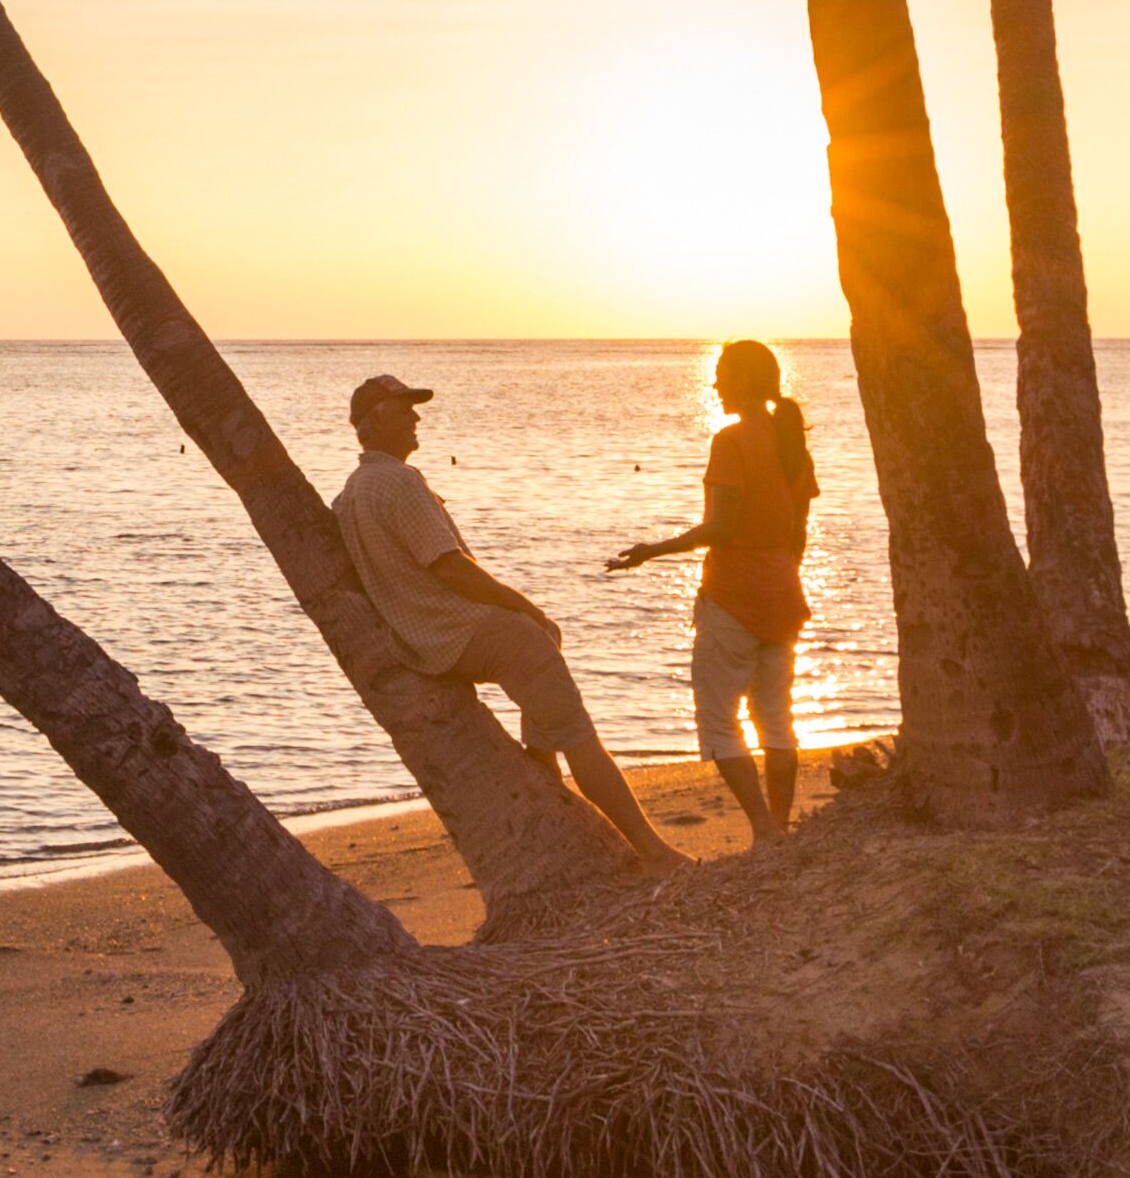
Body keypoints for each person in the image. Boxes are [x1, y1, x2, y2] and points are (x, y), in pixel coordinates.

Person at [330, 372, 687, 868]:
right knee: (576, 727)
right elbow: (451, 567)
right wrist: (525, 606)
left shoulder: (348, 497)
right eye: (404, 408)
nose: (415, 418)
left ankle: (554, 817)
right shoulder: (398, 481)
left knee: (544, 668)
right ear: (376, 420)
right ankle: (652, 852)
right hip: (461, 631)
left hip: (422, 643)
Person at [608, 339, 815, 843]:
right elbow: (798, 534)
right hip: (783, 595)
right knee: (776, 719)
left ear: (743, 380)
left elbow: (720, 528)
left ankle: (765, 831)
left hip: (732, 599)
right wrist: (779, 577)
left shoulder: (731, 441)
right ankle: (780, 829)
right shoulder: (793, 445)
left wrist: (650, 550)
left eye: (722, 374)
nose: (715, 383)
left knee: (720, 721)